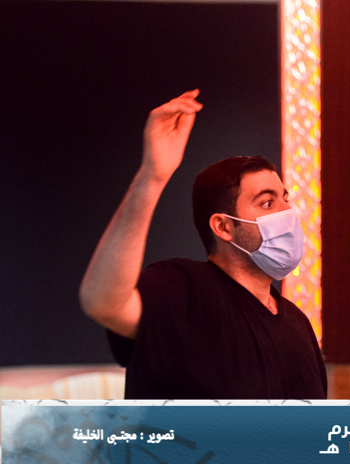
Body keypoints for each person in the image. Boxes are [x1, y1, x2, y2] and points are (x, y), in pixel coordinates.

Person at [79, 90, 327, 399]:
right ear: (223, 226)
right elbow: (104, 303)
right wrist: (152, 178)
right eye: (267, 203)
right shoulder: (184, 290)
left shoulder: (298, 324)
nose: (287, 212)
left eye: (284, 199)